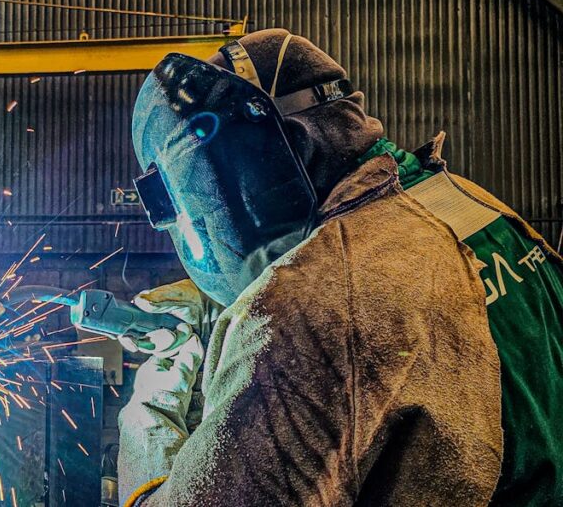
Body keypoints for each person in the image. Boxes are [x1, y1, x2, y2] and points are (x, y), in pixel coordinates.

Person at [117, 28, 563, 506]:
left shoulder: (312, 308)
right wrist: (223, 313)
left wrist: (150, 413)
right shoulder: (462, 203)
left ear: (272, 151)